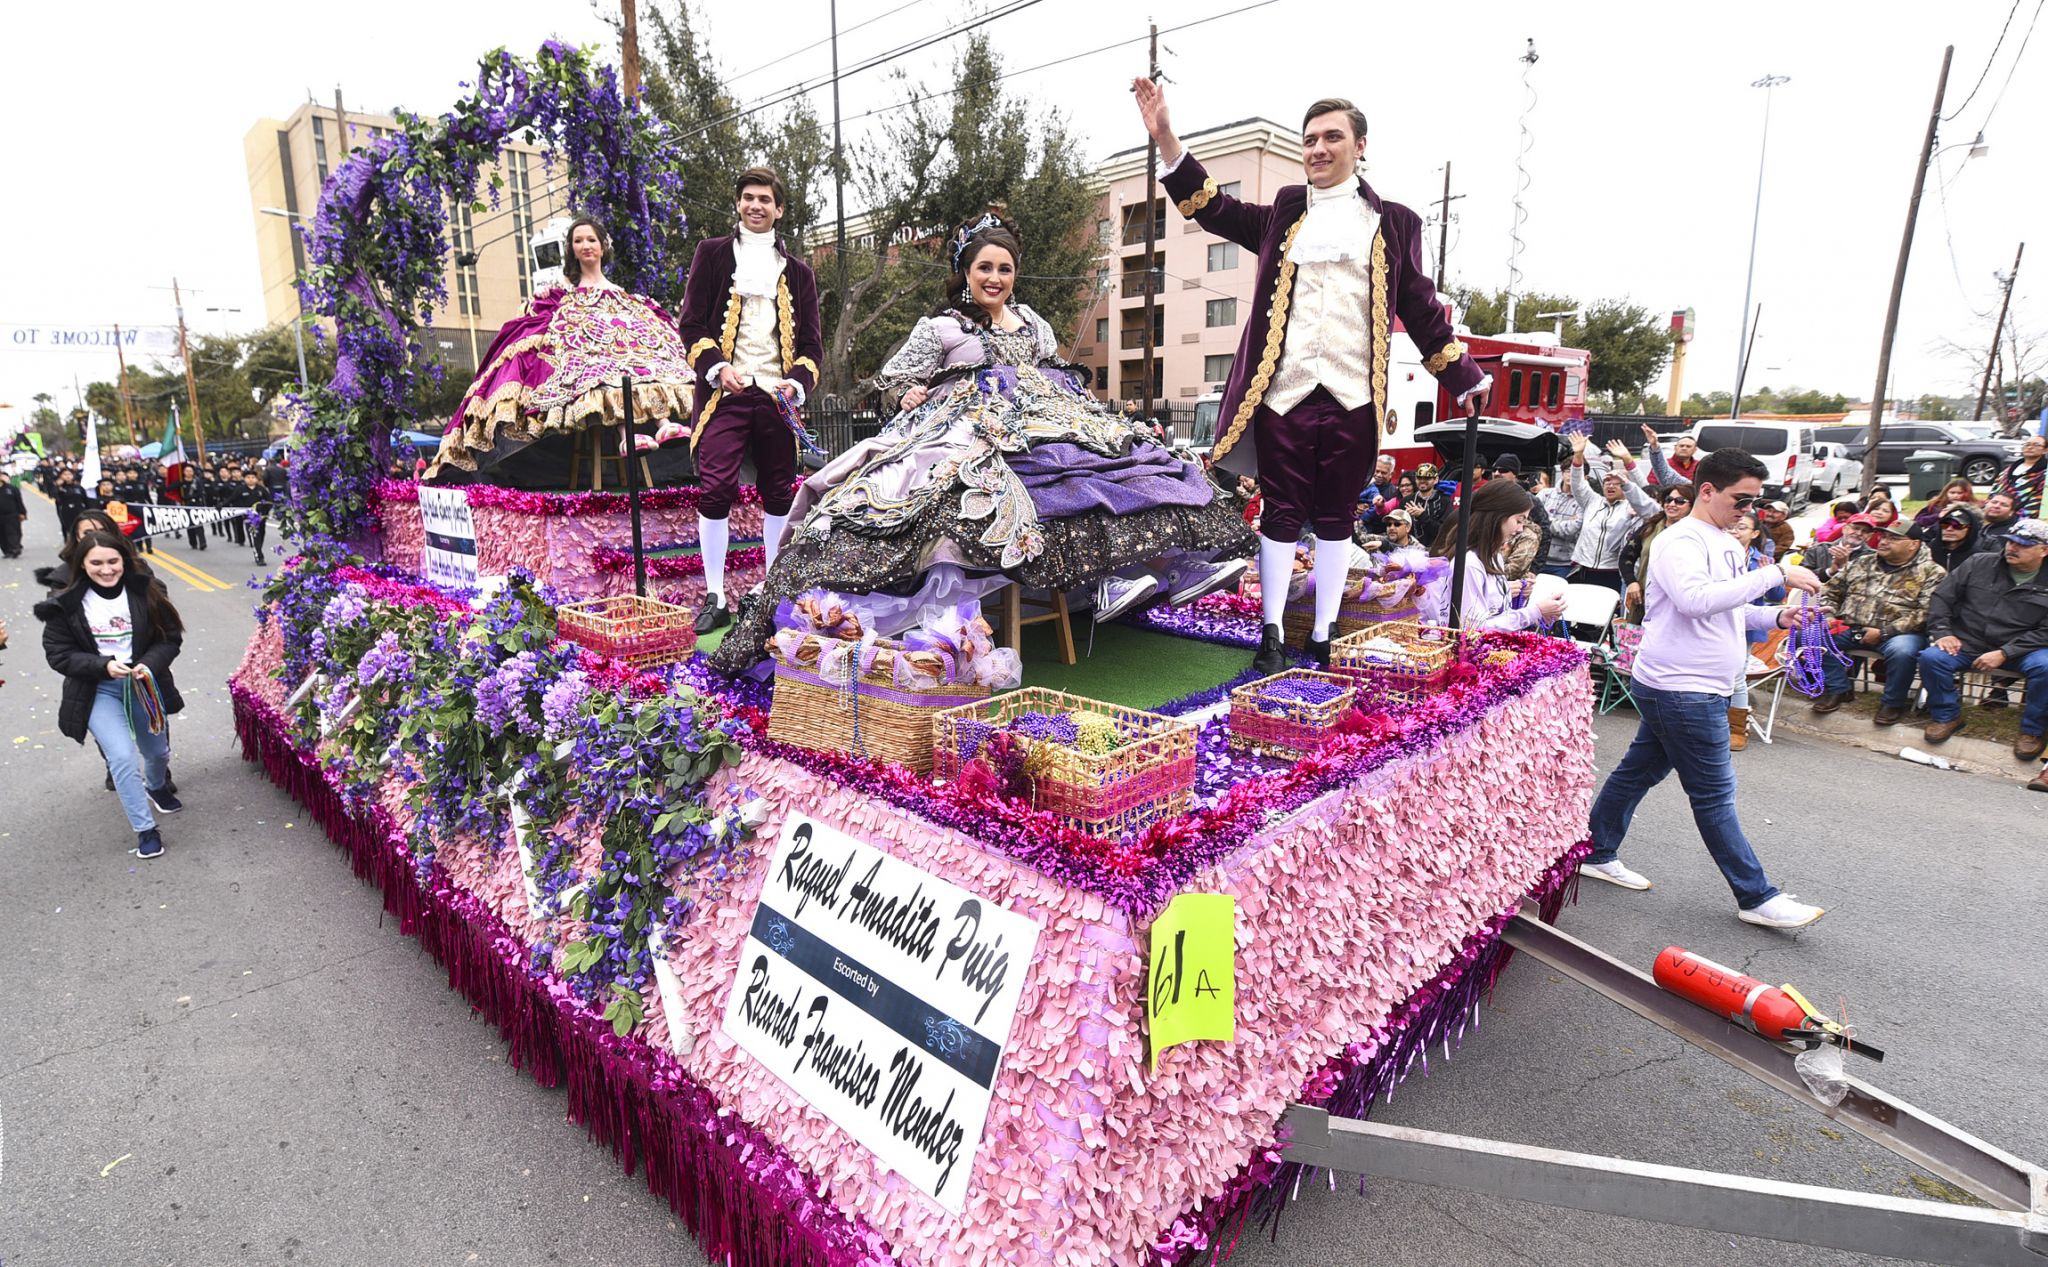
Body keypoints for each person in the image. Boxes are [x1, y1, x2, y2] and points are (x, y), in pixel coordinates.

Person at [706, 213, 1252, 675]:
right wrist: (908, 390)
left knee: (1116, 473)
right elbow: (892, 378)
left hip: (1046, 426)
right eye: (985, 268)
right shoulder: (939, 328)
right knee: (954, 498)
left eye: (1005, 269)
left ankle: (1129, 577)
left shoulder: (1034, 324)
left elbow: (1051, 373)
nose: (995, 278)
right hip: (966, 429)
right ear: (966, 273)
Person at [1136, 82, 1489, 672]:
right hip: (1284, 394)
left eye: (1331, 138)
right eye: (1310, 140)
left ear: (1360, 146)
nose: (1318, 149)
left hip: (1353, 397)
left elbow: (1420, 305)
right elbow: (1210, 207)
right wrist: (1167, 137)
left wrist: (1467, 378)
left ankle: (1323, 634)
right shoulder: (1284, 210)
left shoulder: (1395, 223)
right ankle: (1271, 636)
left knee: (1336, 519)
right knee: (1278, 513)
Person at [1582, 446, 1828, 929]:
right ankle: (1756, 896)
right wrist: (1776, 573)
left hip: (1693, 684)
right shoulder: (1680, 541)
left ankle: (1594, 850)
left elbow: (1727, 610)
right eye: (1741, 500)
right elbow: (1695, 601)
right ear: (1708, 490)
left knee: (1637, 774)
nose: (1748, 511)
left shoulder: (1724, 542)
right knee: (1714, 795)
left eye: (1754, 502)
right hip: (1682, 687)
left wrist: (1777, 614)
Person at [425, 214, 700, 481]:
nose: (586, 246)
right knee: (603, 372)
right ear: (572, 249)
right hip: (587, 359)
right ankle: (627, 436)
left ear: (603, 246)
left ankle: (664, 425)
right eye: (578, 241)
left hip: (619, 346)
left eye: (591, 239)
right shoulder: (563, 292)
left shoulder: (624, 296)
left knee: (643, 361)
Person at [677, 168, 824, 635]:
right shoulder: (713, 254)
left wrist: (796, 384)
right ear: (738, 204)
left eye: (764, 199)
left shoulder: (799, 273)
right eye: (747, 198)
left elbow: (813, 348)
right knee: (716, 487)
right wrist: (719, 368)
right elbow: (692, 324)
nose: (755, 205)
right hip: (725, 394)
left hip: (777, 399)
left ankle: (770, 590)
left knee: (779, 492)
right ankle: (716, 595)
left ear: (779, 209)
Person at [34, 530, 186, 860]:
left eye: (113, 561)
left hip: (143, 684)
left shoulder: (146, 591)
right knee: (121, 758)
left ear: (124, 560)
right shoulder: (65, 603)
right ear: (82, 565)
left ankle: (157, 786)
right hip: (97, 688)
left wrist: (147, 663)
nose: (106, 569)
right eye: (96, 563)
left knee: (157, 752)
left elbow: (170, 638)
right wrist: (103, 666)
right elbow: (58, 654)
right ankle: (146, 830)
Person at [1916, 518, 2048, 759]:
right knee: (1932, 657)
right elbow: (1942, 597)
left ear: (2044, 550)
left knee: (2046, 666)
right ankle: (1947, 716)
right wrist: (1943, 632)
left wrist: (2005, 652)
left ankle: (2032, 731)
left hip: (2023, 649)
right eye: (2009, 542)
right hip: (1969, 639)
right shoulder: (1979, 562)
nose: (2012, 548)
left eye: (2022, 544)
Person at [1810, 518, 1944, 723]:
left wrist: (1883, 632)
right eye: (1883, 536)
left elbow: (1926, 613)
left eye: (1894, 538)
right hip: (1851, 625)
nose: (1883, 541)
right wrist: (1828, 616)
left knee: (1903, 652)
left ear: (1913, 544)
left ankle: (1892, 703)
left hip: (1899, 633)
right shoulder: (1862, 562)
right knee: (1810, 635)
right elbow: (1831, 591)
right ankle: (1838, 689)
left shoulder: (1932, 572)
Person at [1425, 478, 1564, 631]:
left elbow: (1494, 613)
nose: (1520, 529)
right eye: (1519, 520)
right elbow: (1472, 629)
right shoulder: (1469, 564)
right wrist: (1533, 612)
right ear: (1497, 517)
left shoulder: (1494, 557)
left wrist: (1518, 598)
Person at [1723, 509, 1787, 750]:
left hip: (1745, 626)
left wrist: (1768, 574)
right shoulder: (1719, 553)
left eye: (1742, 528)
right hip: (1717, 621)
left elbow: (1778, 596)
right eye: (1733, 526)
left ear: (1754, 533)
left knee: (1737, 675)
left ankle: (1738, 729)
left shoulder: (1760, 559)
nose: (1735, 531)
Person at [1562, 433, 1657, 592]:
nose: (1610, 486)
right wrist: (1578, 455)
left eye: (1617, 483)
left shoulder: (1633, 507)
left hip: (1613, 573)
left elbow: (1646, 493)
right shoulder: (1592, 501)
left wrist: (1627, 459)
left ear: (1626, 487)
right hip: (1583, 569)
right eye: (1607, 481)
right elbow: (1578, 483)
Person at [1620, 482, 1695, 622]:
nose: (1672, 504)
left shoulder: (1695, 533)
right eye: (1668, 500)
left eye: (1679, 501)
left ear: (1692, 506)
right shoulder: (1651, 527)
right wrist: (1631, 582)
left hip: (1675, 602)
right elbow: (1625, 557)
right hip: (1642, 599)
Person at [1997, 433, 2045, 517]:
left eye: (2036, 445)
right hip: (1997, 515)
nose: (2030, 447)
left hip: (2020, 519)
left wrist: (2013, 518)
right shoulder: (2009, 469)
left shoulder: (2044, 474)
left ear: (2045, 450)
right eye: (2027, 444)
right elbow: (1995, 490)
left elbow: (2038, 502)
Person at [1922, 506, 1983, 571]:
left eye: (1957, 526)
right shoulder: (1928, 550)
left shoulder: (1979, 558)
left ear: (1970, 529)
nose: (1949, 529)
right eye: (1945, 525)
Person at [1911, 477, 1977, 534]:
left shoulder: (1972, 508)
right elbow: (1919, 520)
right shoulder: (1936, 504)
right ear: (1946, 492)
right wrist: (1938, 516)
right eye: (1952, 493)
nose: (1955, 496)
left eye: (1960, 493)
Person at [0, 475, 25, 558]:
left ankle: (15, 549)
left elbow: (19, 501)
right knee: (2, 534)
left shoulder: (11, 488)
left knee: (13, 532)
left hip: (12, 514)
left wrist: (22, 513)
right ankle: (7, 551)